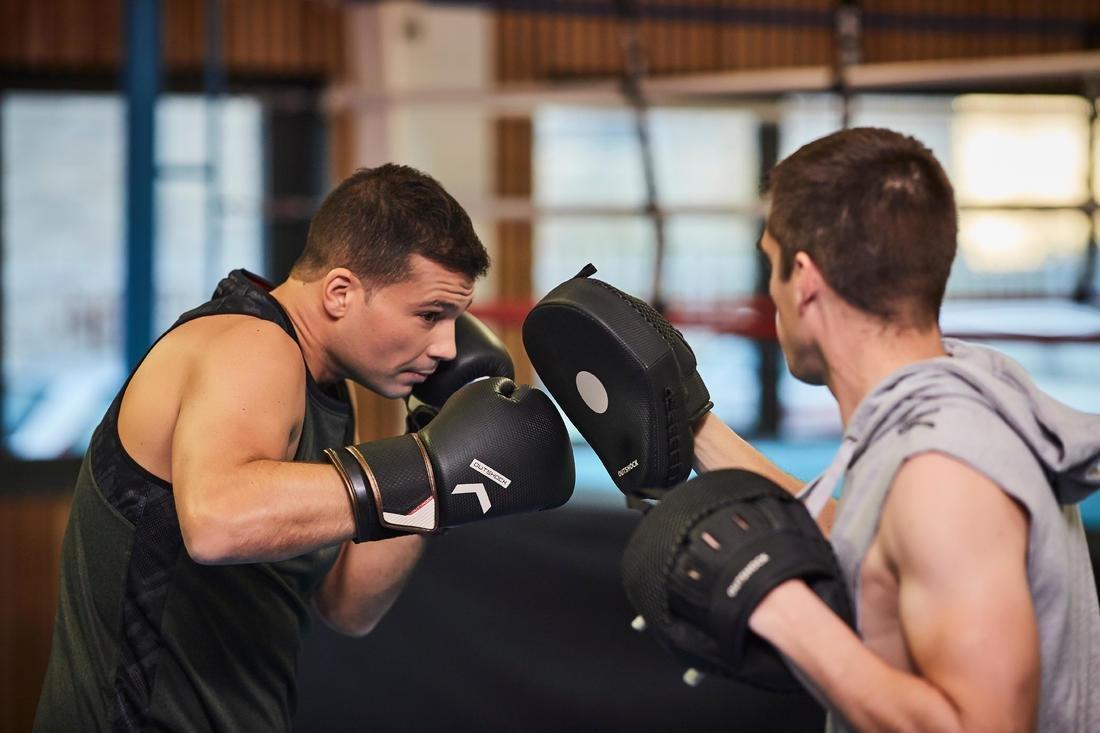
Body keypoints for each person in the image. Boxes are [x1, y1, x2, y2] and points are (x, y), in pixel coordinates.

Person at [526, 127, 1100, 731]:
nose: (771, 291)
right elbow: (873, 547)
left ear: (803, 280)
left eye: (771, 266)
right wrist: (687, 425)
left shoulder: (945, 472)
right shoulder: (961, 404)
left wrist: (785, 611)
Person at [34, 164, 575, 731]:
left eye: (454, 320)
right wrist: (423, 470)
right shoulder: (252, 345)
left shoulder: (327, 386)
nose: (446, 346)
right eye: (429, 315)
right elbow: (217, 521)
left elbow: (348, 606)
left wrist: (434, 462)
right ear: (340, 292)